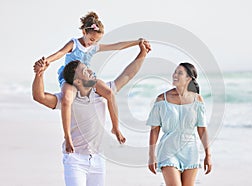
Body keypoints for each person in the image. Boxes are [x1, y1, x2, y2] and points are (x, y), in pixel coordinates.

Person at [32, 40, 150, 186]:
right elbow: (40, 97)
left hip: (98, 158)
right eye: (85, 71)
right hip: (74, 159)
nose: (90, 71)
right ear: (78, 81)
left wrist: (142, 53)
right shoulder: (66, 99)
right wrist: (39, 75)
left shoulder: (101, 93)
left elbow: (127, 75)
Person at [34, 11, 145, 151]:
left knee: (109, 93)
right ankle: (67, 136)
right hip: (70, 78)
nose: (93, 43)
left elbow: (116, 46)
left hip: (86, 78)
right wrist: (47, 62)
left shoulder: (94, 46)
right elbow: (60, 53)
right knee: (67, 100)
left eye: (97, 40)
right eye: (92, 39)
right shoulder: (74, 43)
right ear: (84, 32)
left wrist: (137, 42)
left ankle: (115, 128)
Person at [147, 62, 212, 186]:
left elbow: (202, 130)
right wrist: (151, 156)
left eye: (180, 73)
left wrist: (208, 155)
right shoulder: (162, 99)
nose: (175, 75)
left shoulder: (197, 100)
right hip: (168, 151)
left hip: (190, 151)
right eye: (175, 72)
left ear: (188, 78)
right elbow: (154, 130)